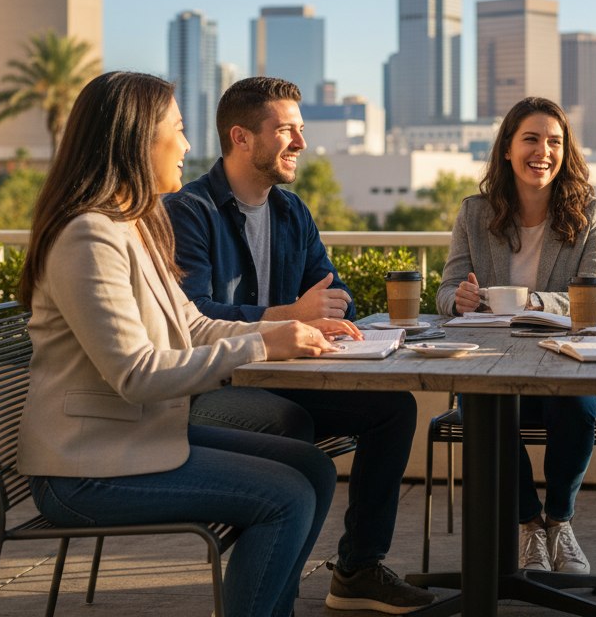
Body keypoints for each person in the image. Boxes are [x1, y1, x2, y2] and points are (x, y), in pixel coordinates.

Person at [18, 71, 356, 617]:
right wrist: (263, 348)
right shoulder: (88, 235)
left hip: (137, 439)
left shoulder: (133, 226)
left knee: (312, 469)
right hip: (84, 468)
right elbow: (137, 374)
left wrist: (281, 334)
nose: (189, 145)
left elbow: (192, 324)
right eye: (177, 128)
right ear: (136, 138)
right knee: (285, 495)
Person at [163, 77, 432, 614]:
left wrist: (327, 312)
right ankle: (271, 586)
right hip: (211, 385)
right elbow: (190, 320)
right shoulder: (189, 212)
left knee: (394, 409)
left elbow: (333, 296)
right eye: (286, 130)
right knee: (289, 426)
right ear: (241, 137)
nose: (301, 144)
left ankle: (356, 568)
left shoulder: (291, 212)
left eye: (301, 130)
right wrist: (290, 316)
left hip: (283, 375)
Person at [437, 96, 596, 574]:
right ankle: (529, 525)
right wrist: (459, 300)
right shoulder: (475, 214)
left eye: (554, 141)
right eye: (531, 139)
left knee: (576, 405)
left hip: (567, 365)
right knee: (482, 403)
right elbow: (447, 288)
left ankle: (560, 520)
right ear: (509, 150)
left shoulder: (591, 212)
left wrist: (535, 302)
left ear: (565, 151)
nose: (543, 151)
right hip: (497, 366)